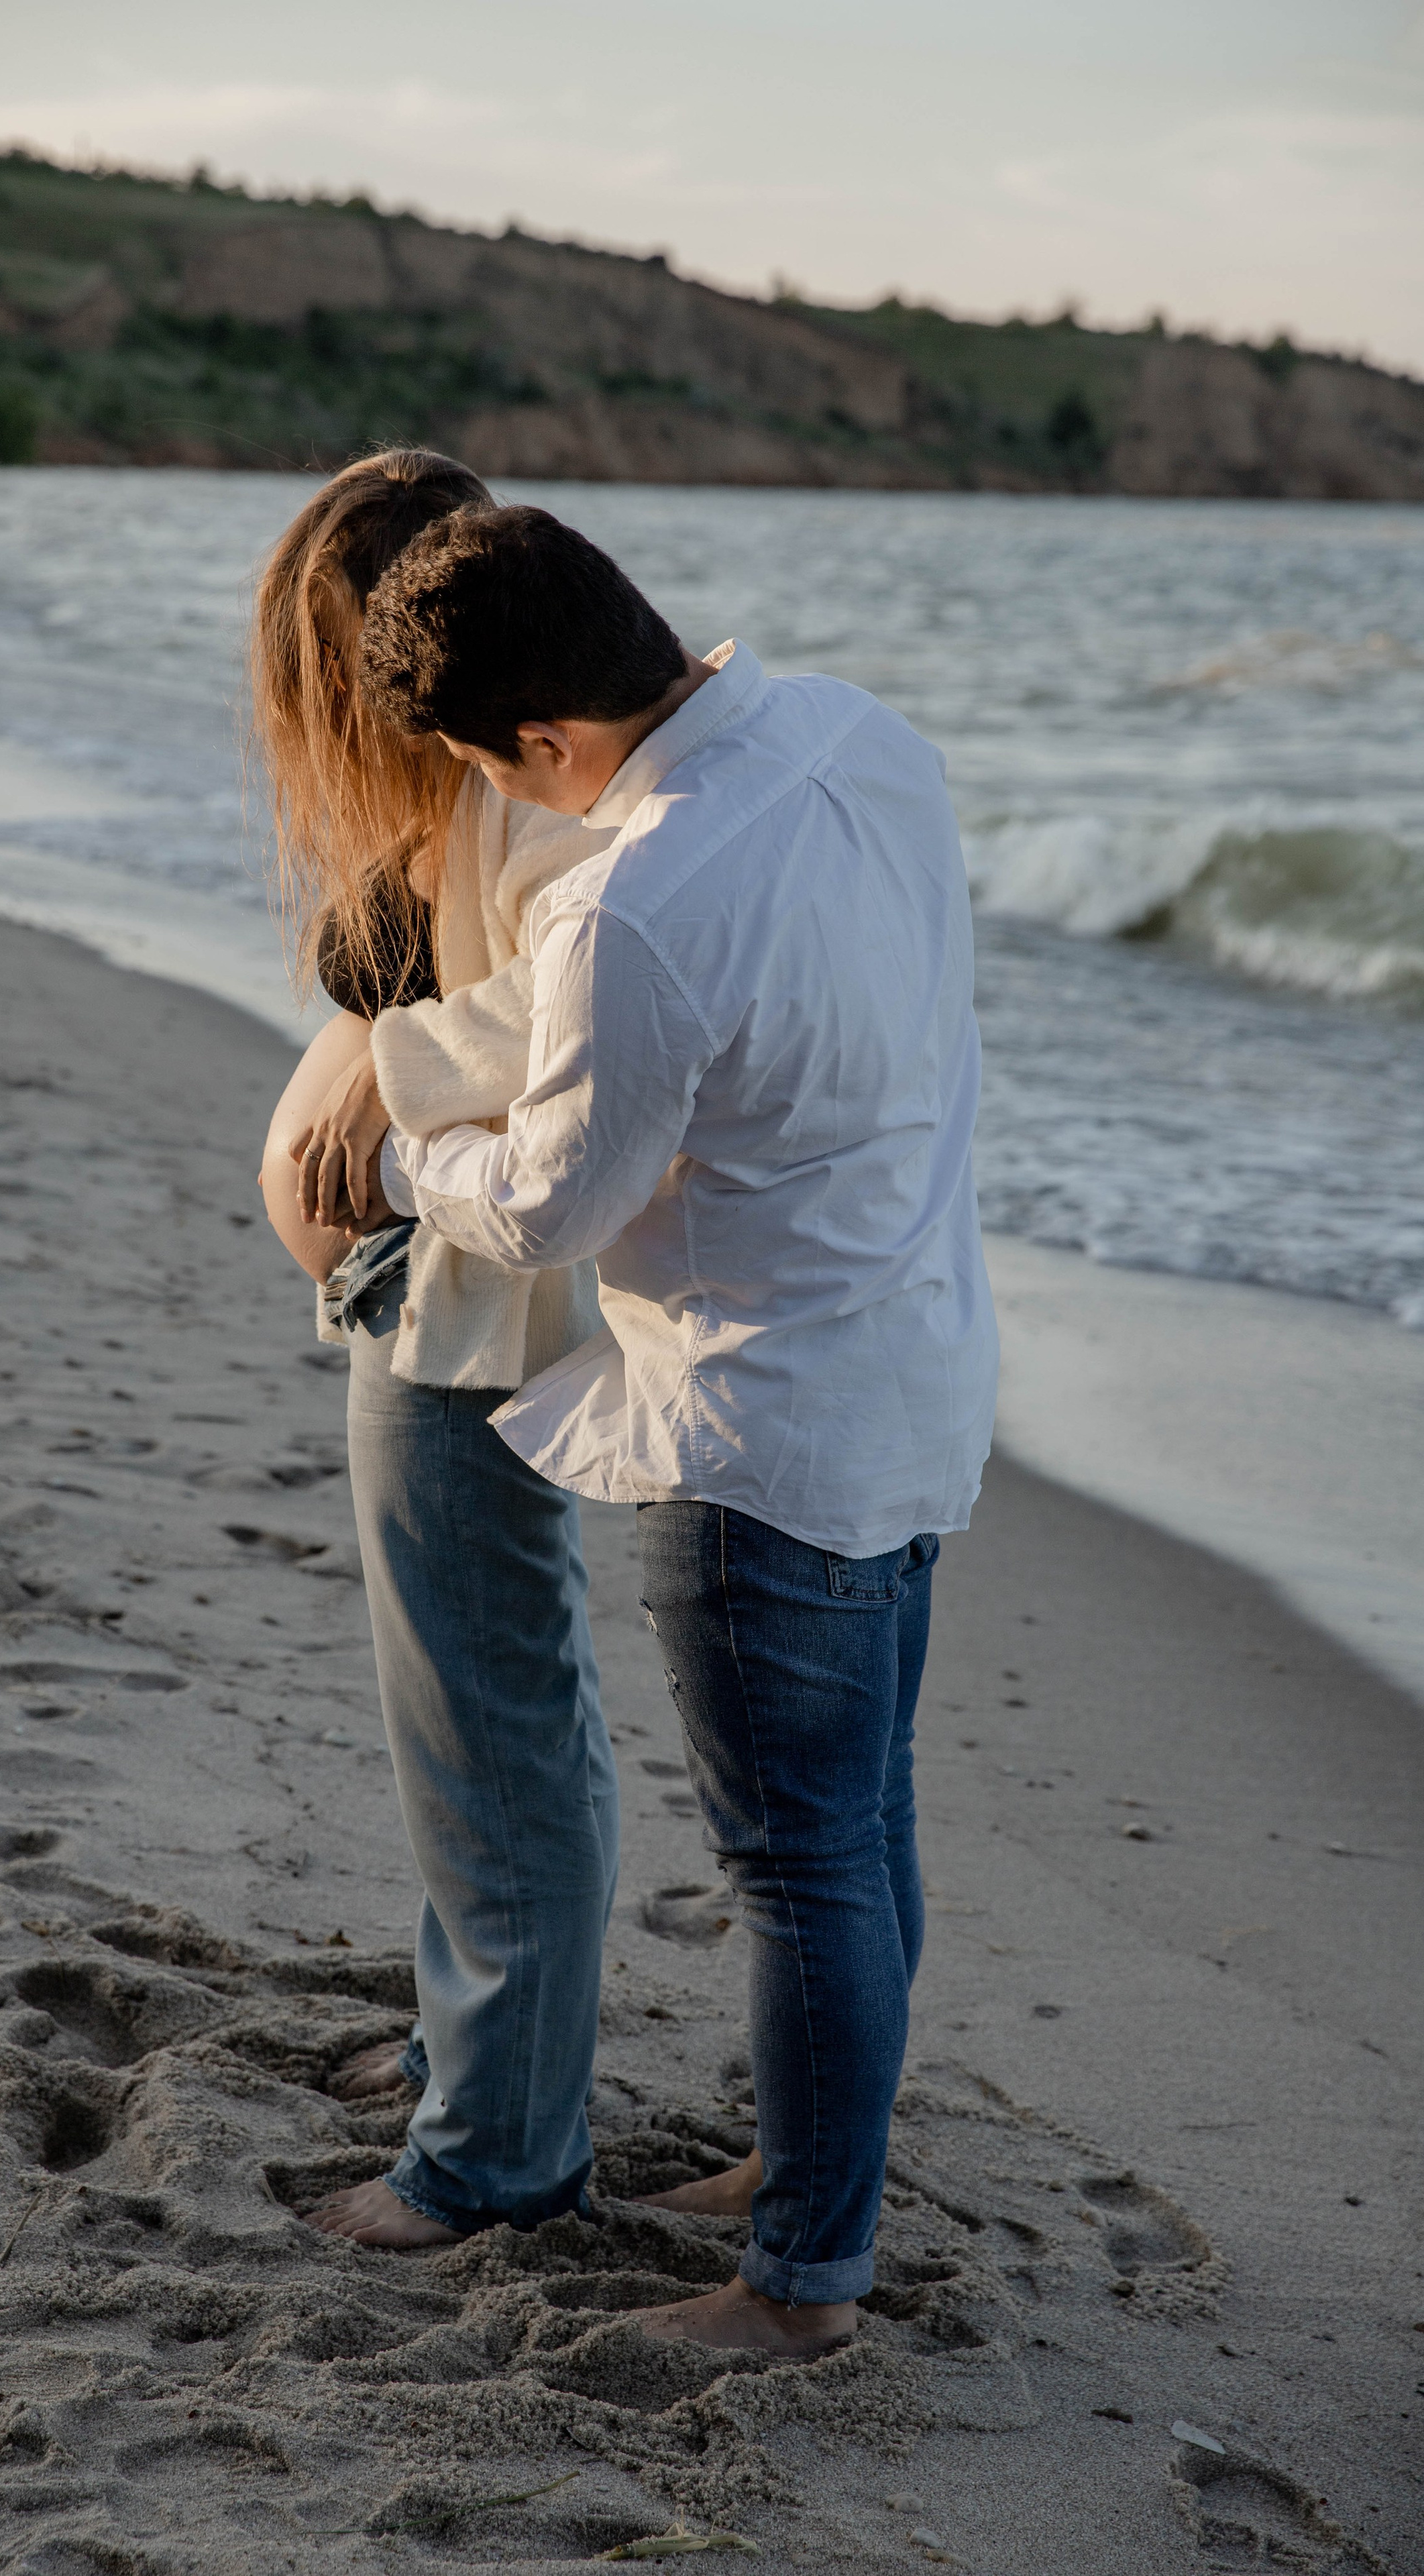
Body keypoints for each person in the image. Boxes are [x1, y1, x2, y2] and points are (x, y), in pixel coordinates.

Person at [341, 502, 1000, 2353]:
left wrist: (403, 1149)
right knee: (863, 1826)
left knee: (798, 1868)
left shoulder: (639, 901)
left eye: (493, 767)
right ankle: (809, 2162)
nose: (508, 802)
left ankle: (799, 2283)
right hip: (924, 1370)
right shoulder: (866, 733)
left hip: (756, 1431)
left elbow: (551, 1208)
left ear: (544, 739)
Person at [251, 454, 621, 2249]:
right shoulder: (444, 801)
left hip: (477, 1310)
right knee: (469, 1712)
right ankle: (471, 2049)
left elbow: (576, 1040)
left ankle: (499, 2152)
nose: (347, 704)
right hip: (420, 1288)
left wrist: (387, 1109)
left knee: (492, 1723)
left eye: (356, 662)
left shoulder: (539, 814)